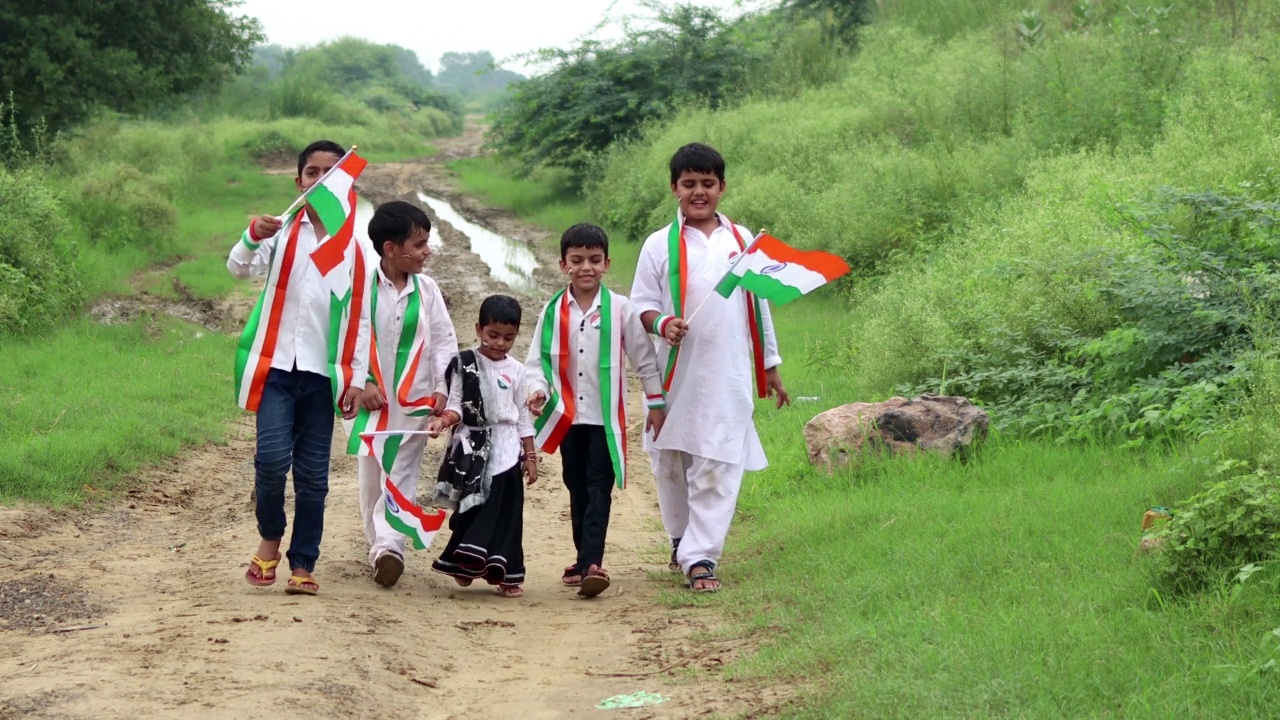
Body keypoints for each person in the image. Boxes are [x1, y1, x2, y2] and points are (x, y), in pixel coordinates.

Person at [630, 142, 791, 593]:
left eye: (707, 183)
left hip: (730, 371)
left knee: (719, 460)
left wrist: (770, 366)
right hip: (675, 373)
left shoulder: (742, 242)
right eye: (689, 184)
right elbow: (641, 304)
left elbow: (758, 307)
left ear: (722, 187)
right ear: (674, 188)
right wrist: (662, 323)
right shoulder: (658, 244)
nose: (698, 192)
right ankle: (682, 538)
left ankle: (701, 557)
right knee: (671, 461)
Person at [229, 139, 371, 596]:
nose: (320, 181)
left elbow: (360, 316)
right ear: (299, 181)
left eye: (331, 173)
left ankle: (303, 561)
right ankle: (270, 535)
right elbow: (238, 268)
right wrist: (253, 234)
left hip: (321, 375)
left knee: (313, 476)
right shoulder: (283, 231)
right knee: (270, 461)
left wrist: (357, 377)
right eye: (313, 173)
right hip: (275, 369)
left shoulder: (351, 244)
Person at [524, 223, 667, 598]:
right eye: (577, 260)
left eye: (594, 260)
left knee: (598, 484)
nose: (586, 267)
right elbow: (534, 362)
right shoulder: (553, 311)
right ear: (563, 264)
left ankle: (592, 563)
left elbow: (644, 359)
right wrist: (538, 390)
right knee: (576, 484)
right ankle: (581, 557)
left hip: (605, 419)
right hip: (569, 418)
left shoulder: (621, 309)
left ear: (607, 263)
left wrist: (655, 403)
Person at [348, 200, 457, 588]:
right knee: (372, 476)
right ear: (391, 249)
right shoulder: (360, 288)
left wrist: (444, 388)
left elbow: (444, 343)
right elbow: (349, 338)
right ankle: (376, 544)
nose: (427, 251)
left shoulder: (427, 290)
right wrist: (364, 382)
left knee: (404, 472)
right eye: (420, 243)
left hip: (415, 401)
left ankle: (390, 547)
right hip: (373, 402)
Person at [428, 295, 538, 598]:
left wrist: (530, 456)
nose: (500, 343)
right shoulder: (464, 364)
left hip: (506, 449)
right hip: (471, 450)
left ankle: (507, 573)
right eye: (493, 335)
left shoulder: (517, 370)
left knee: (507, 512)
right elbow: (456, 407)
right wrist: (442, 422)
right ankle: (465, 563)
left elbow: (522, 416)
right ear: (479, 328)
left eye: (508, 338)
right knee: (471, 509)